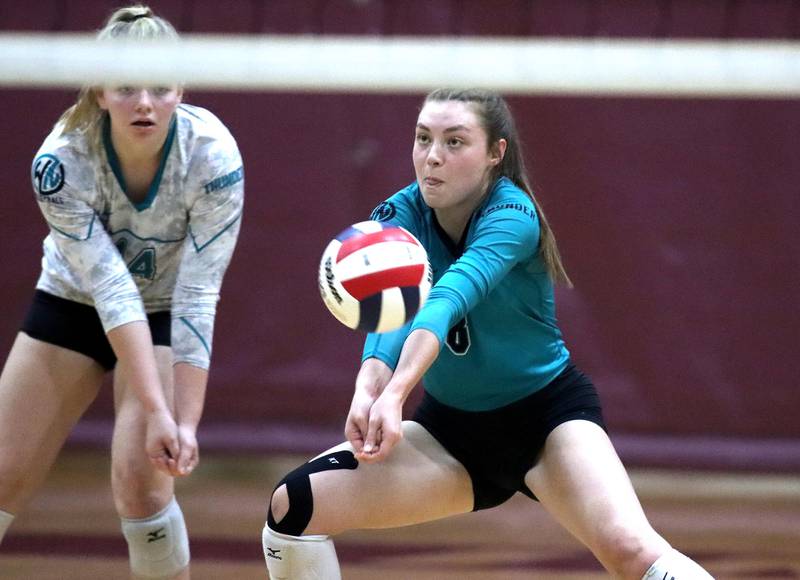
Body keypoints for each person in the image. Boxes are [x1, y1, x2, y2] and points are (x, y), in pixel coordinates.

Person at [261, 88, 713, 580]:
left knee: (631, 551)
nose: (432, 156)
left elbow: (447, 298)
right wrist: (368, 389)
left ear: (495, 153)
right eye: (423, 138)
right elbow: (391, 311)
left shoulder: (513, 216)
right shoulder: (396, 216)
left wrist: (395, 393)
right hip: (450, 436)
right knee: (292, 510)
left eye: (455, 142)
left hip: (545, 422)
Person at [0, 5, 244, 579]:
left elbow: (198, 294)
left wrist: (183, 420)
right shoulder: (60, 161)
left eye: (161, 88)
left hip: (165, 311)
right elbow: (110, 288)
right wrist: (161, 407)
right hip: (74, 300)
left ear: (180, 88)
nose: (144, 103)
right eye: (127, 87)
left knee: (143, 485)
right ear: (99, 91)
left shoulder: (213, 158)